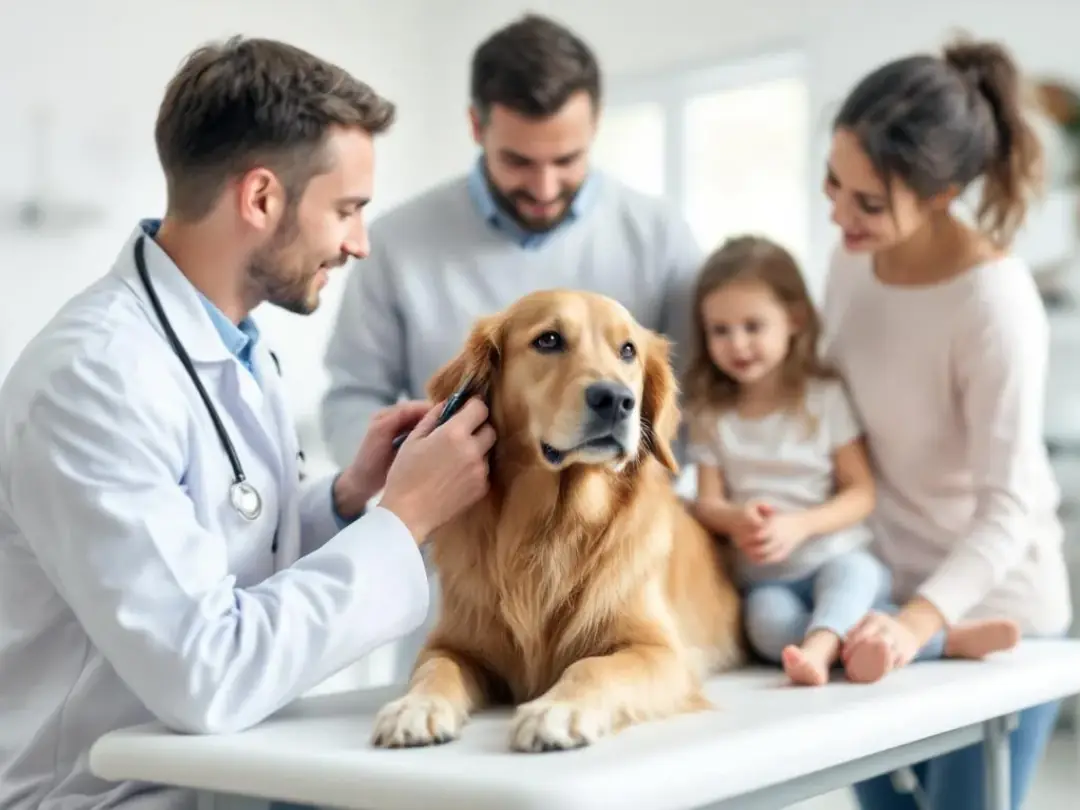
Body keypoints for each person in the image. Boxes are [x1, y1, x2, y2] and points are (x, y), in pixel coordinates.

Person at [0, 37, 495, 810]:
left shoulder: (235, 347)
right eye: (347, 210)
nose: (359, 243)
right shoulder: (90, 379)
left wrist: (346, 498)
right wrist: (405, 517)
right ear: (262, 198)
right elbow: (208, 670)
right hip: (102, 798)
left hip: (220, 778)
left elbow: (219, 550)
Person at [319, 12, 702, 678]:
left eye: (567, 161)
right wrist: (424, 476)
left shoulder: (659, 235)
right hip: (460, 571)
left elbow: (694, 400)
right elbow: (352, 394)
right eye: (518, 161)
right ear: (477, 126)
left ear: (595, 126)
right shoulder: (400, 243)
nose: (544, 187)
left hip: (618, 573)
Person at [819, 36, 1073, 809]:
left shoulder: (993, 302)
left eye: (869, 203)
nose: (840, 215)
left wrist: (916, 623)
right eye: (833, 183)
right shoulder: (850, 260)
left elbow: (1009, 505)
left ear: (942, 193)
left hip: (996, 613)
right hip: (887, 609)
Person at [685, 235, 1019, 687]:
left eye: (752, 326)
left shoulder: (822, 397)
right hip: (770, 580)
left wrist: (800, 525)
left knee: (851, 580)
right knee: (765, 630)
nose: (737, 344)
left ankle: (819, 651)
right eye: (720, 331)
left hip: (836, 556)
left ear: (794, 319)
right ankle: (942, 642)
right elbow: (707, 503)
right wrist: (735, 519)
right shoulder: (711, 415)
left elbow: (861, 493)